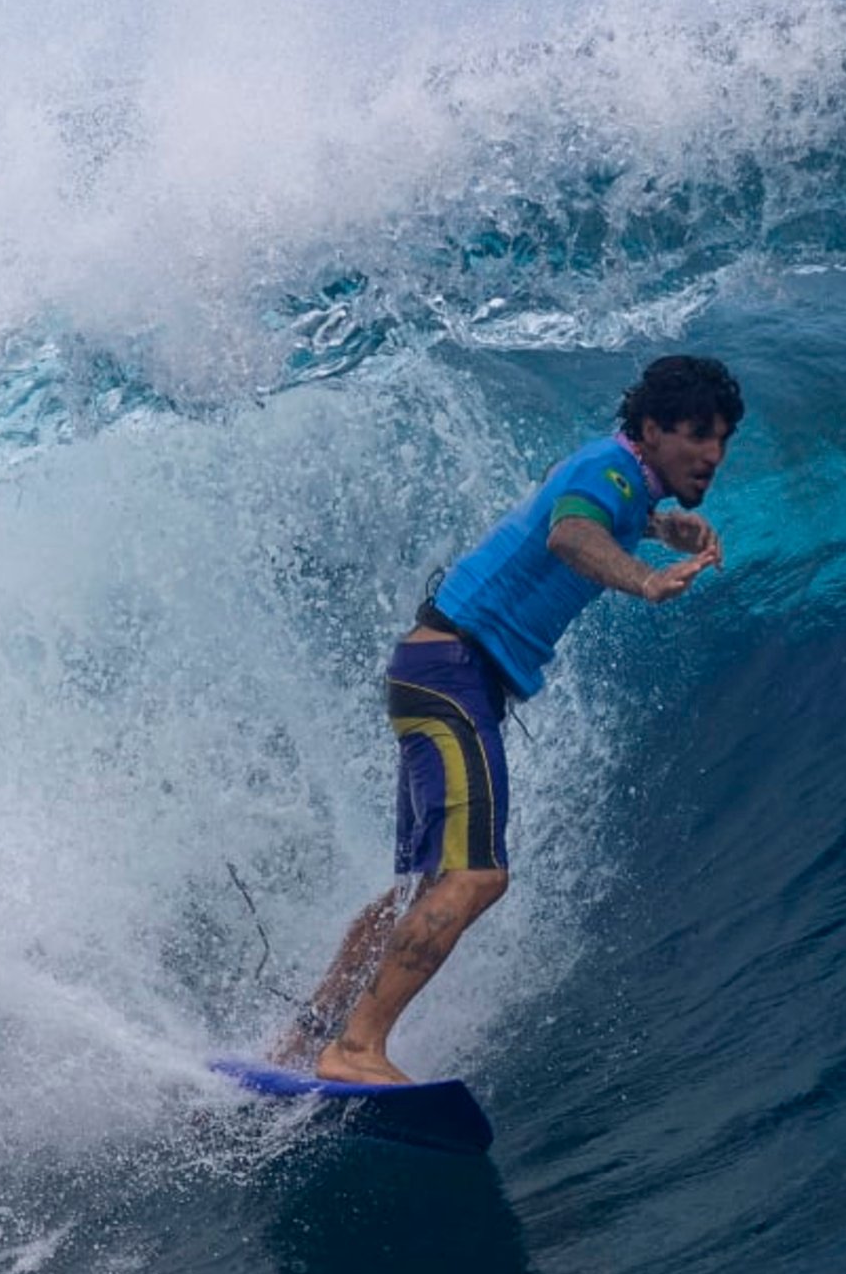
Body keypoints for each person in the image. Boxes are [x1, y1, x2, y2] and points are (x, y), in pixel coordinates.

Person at [279, 353, 743, 1084]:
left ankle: (303, 1039)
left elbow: (599, 515)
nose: (712, 455)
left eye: (721, 440)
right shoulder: (608, 474)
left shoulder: (620, 480)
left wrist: (657, 529)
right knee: (478, 876)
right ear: (650, 429)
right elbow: (569, 535)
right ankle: (356, 1048)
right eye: (695, 435)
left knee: (423, 888)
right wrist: (645, 578)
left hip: (436, 671)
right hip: (455, 674)